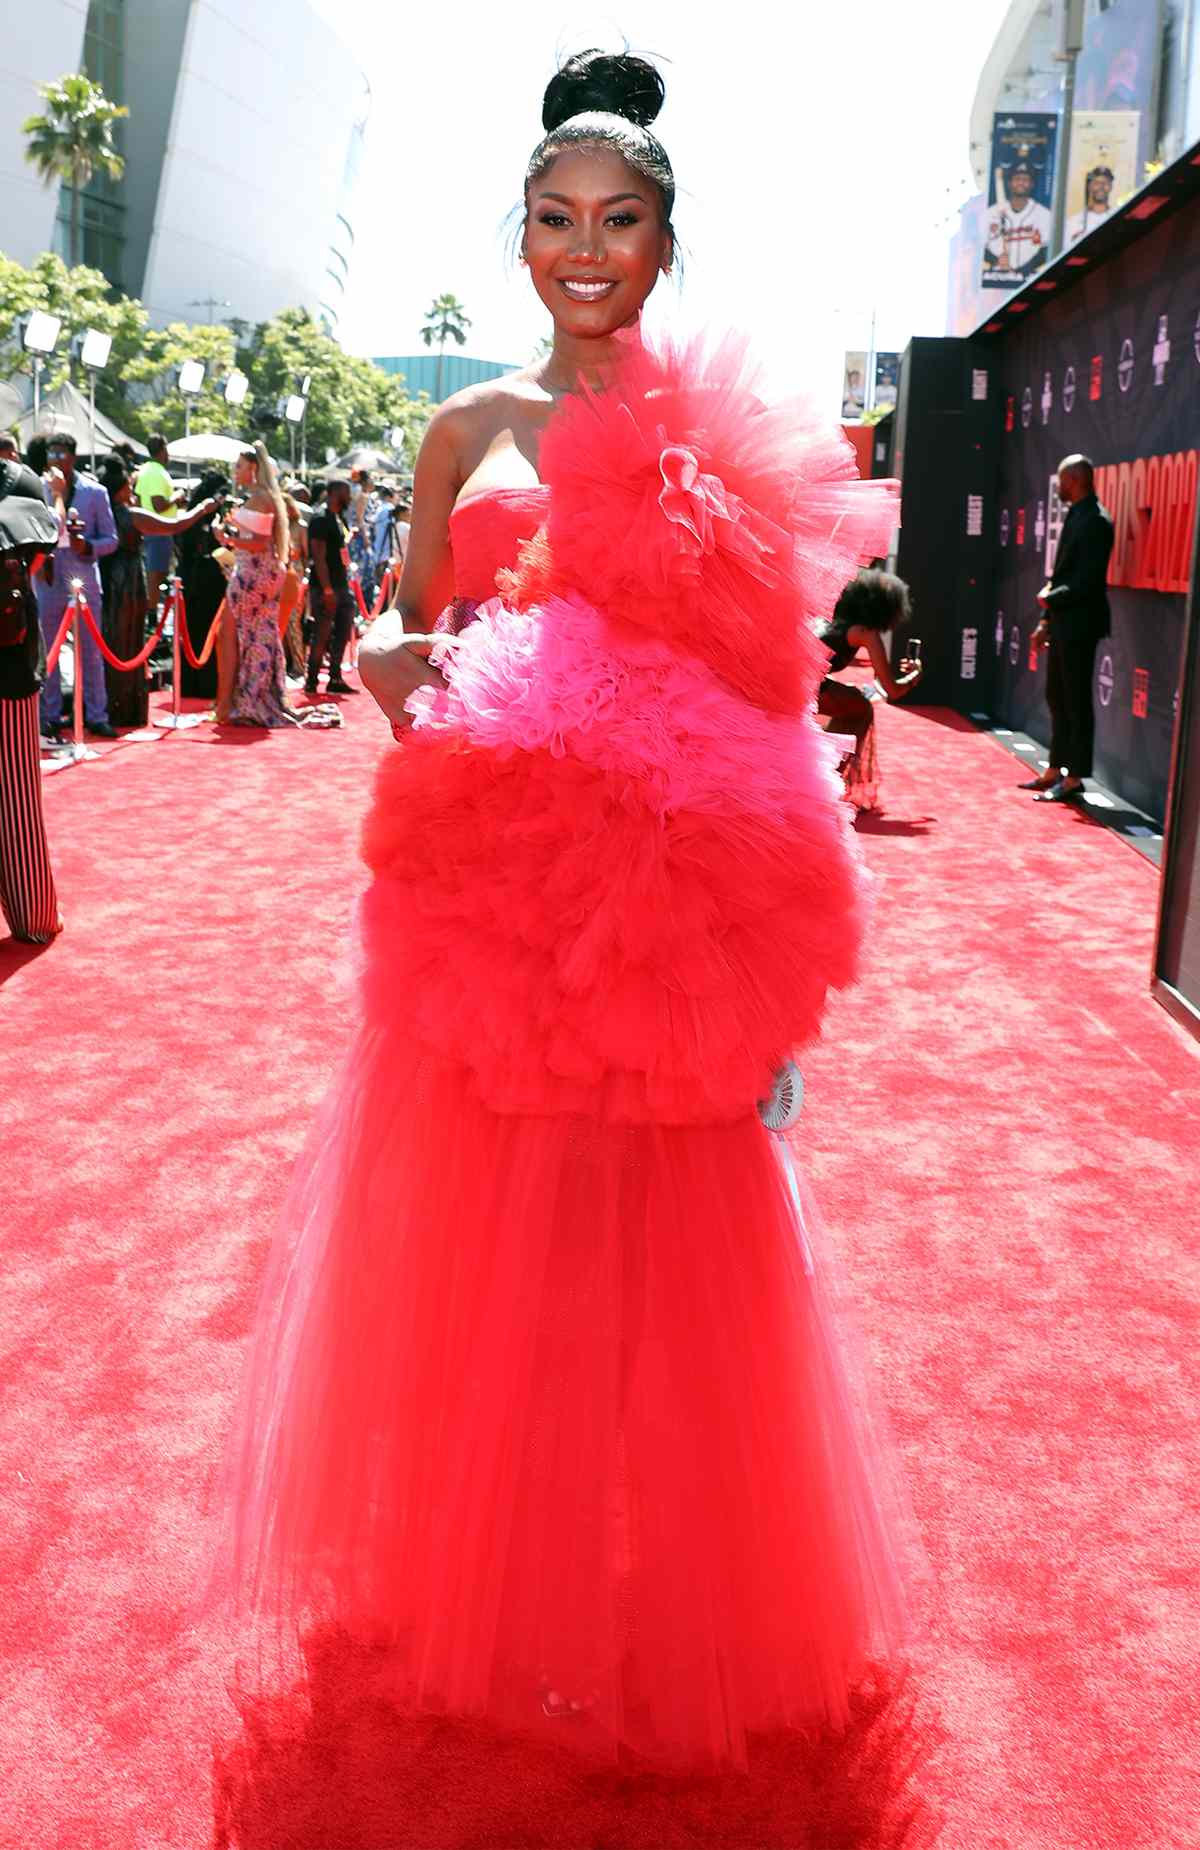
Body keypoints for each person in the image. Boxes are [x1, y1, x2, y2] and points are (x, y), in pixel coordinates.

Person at [209, 49, 912, 1778]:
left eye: (618, 220)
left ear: (667, 241)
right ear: (518, 237)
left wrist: (758, 952)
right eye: (551, 219)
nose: (583, 248)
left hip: (662, 933)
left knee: (673, 1279)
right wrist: (389, 675)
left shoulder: (716, 435)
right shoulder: (465, 429)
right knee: (476, 1273)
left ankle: (658, 1608)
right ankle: (494, 1593)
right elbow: (411, 658)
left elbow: (764, 703)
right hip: (490, 927)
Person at [97, 457, 222, 727]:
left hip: (107, 579)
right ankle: (124, 707)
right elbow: (175, 525)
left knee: (112, 640)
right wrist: (202, 509)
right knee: (128, 640)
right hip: (127, 580)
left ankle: (107, 705)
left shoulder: (101, 513)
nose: (134, 492)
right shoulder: (131, 515)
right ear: (121, 490)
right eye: (130, 487)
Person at [219, 444, 337, 728]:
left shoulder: (261, 498)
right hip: (262, 572)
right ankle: (243, 699)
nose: (235, 472)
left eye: (239, 466)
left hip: (254, 572)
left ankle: (240, 702)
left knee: (242, 635)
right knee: (259, 635)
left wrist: (227, 539)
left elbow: (259, 543)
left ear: (253, 468)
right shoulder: (265, 497)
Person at [1025, 453, 1115, 803]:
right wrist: (1045, 621)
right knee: (1057, 697)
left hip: (1082, 624)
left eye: (1062, 480)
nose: (1058, 487)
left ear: (1075, 480)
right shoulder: (1076, 514)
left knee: (1076, 701)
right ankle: (1054, 769)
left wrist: (1052, 598)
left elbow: (1088, 580)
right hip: (1062, 622)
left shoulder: (1096, 520)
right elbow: (1064, 574)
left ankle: (1075, 777)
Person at [0, 456, 62, 944]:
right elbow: (41, 558)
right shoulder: (23, 481)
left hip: (14, 662)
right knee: (17, 797)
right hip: (12, 664)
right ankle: (33, 914)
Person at [35, 433, 119, 741]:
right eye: (51, 455)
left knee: (91, 651)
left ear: (73, 457)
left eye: (61, 454)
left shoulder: (94, 492)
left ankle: (97, 714)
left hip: (83, 579)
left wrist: (88, 547)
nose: (56, 461)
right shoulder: (37, 489)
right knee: (49, 654)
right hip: (47, 579)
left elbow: (112, 540)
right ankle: (49, 715)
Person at [816, 569, 923, 810]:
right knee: (860, 708)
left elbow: (878, 684)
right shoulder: (866, 633)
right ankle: (825, 780)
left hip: (792, 681)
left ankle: (824, 774)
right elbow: (892, 690)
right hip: (803, 689)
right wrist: (915, 675)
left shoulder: (836, 620)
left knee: (857, 701)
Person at [175, 472, 229, 701]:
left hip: (193, 577)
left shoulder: (194, 514)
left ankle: (193, 683)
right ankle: (205, 683)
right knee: (205, 631)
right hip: (207, 579)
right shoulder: (208, 516)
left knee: (196, 630)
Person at [304, 475, 357, 695]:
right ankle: (312, 681)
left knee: (343, 631)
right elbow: (318, 556)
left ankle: (335, 678)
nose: (350, 497)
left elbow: (338, 550)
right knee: (322, 633)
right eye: (346, 492)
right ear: (335, 493)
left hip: (342, 584)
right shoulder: (320, 519)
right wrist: (327, 590)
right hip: (326, 587)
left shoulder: (339, 518)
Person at [134, 433, 180, 616]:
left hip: (149, 530)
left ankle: (150, 612)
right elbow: (159, 504)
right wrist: (177, 496)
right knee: (155, 575)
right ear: (162, 450)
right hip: (159, 530)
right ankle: (151, 615)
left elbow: (137, 500)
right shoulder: (156, 473)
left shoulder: (145, 470)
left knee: (154, 574)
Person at [984, 156, 1051, 280]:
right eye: (1017, 178)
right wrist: (995, 261)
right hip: (997, 278)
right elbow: (980, 247)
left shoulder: (1043, 214)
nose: (1021, 182)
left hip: (1029, 278)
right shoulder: (990, 213)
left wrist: (1024, 269)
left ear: (1032, 184)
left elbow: (1046, 250)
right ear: (1009, 183)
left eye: (1026, 179)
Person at [1066, 165, 1114, 245]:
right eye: (1097, 183)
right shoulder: (1074, 221)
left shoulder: (1117, 215)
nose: (1101, 187)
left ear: (1110, 187)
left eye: (1105, 183)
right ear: (1090, 186)